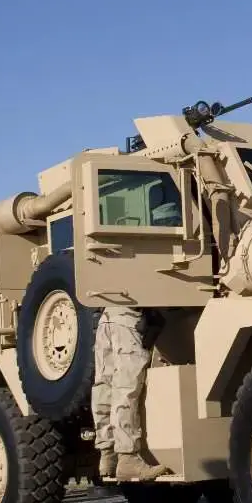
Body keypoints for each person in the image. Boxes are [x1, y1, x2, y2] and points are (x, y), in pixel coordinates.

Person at [91, 199, 182, 482]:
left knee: (105, 383)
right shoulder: (157, 243)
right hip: (128, 316)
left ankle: (108, 454)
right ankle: (128, 458)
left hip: (109, 314)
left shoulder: (123, 238)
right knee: (127, 384)